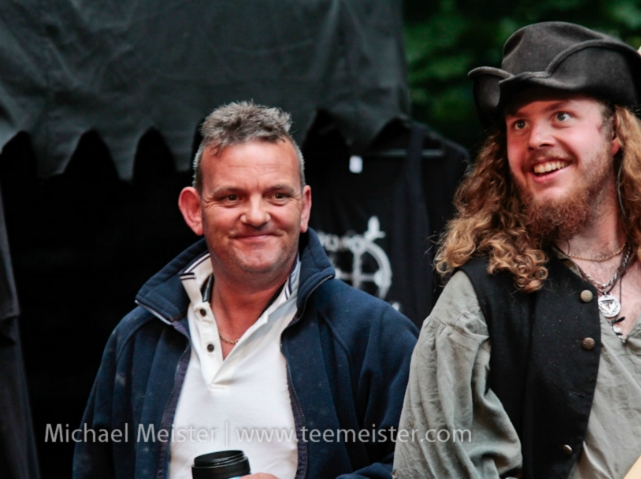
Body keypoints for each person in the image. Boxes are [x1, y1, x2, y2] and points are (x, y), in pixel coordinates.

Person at [393, 22, 641, 479]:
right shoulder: (475, 304)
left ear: (614, 134)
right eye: (519, 123)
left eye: (561, 115)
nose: (536, 138)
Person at [73, 101, 418, 478]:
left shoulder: (373, 334)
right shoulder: (139, 338)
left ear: (303, 208)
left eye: (277, 195)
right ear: (193, 210)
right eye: (231, 197)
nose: (256, 216)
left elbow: (425, 469)